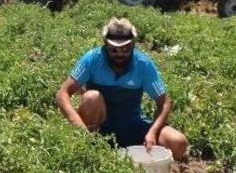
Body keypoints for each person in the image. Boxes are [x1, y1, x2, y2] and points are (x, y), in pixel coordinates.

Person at [56, 17, 188, 160]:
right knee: (91, 97)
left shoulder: (143, 64)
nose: (120, 54)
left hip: (132, 125)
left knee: (178, 142)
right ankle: (90, 151)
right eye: (113, 49)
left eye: (125, 49)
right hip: (101, 126)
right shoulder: (92, 59)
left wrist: (153, 132)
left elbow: (164, 102)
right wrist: (80, 128)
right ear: (105, 44)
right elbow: (63, 94)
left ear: (133, 45)